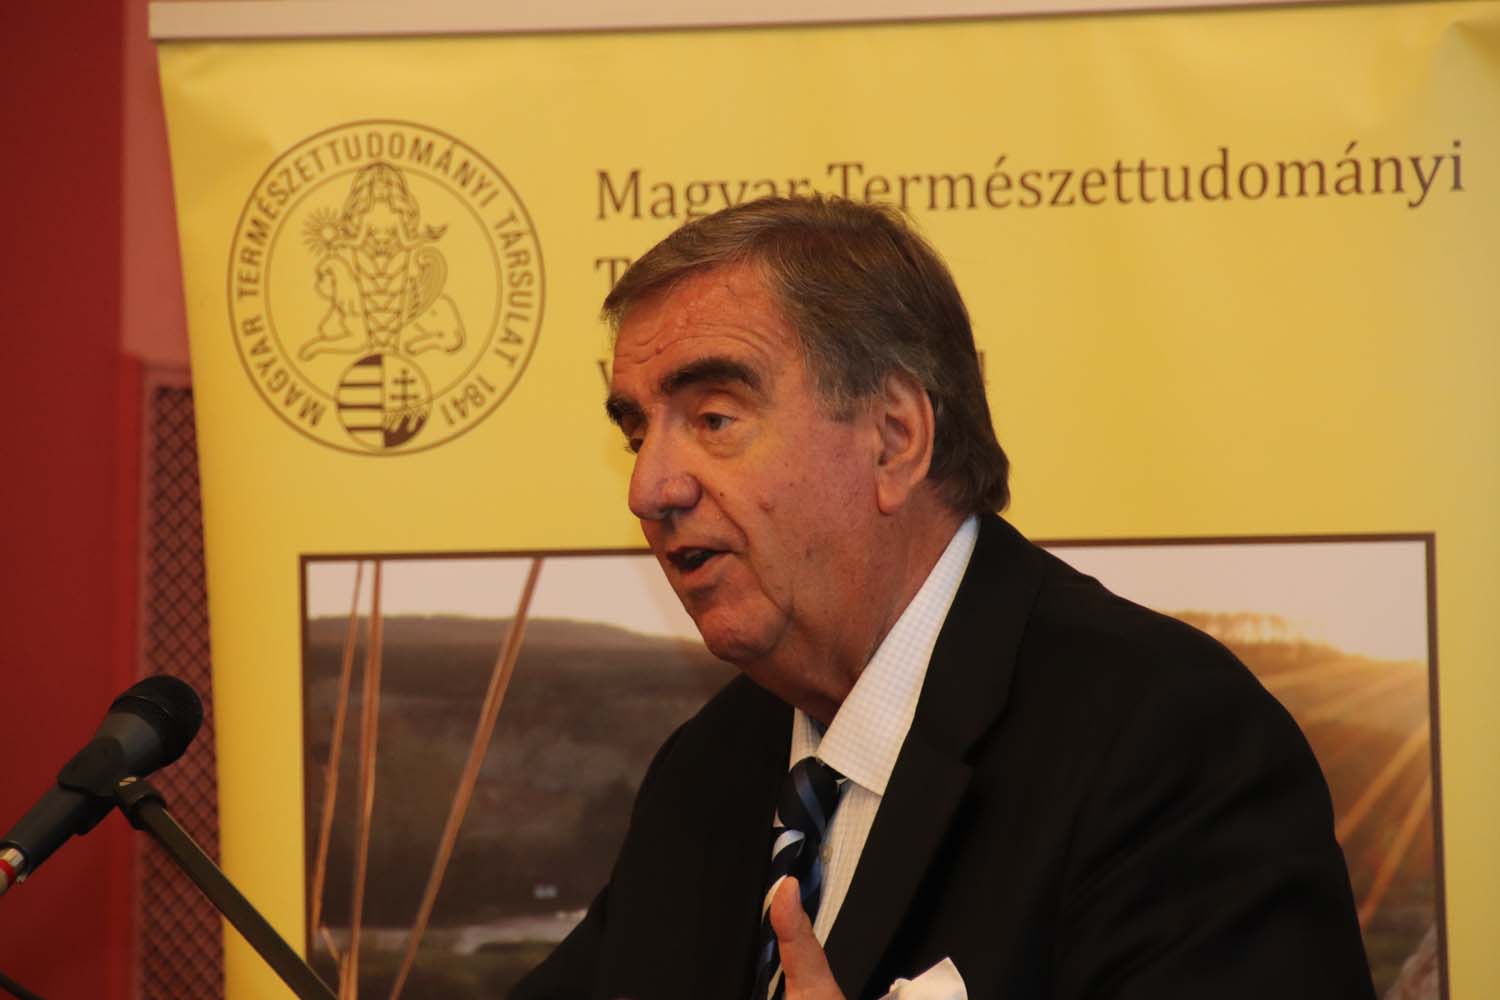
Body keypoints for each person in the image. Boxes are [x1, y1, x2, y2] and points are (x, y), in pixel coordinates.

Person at [512, 196, 1374, 1000]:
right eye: (637, 432)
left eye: (713, 419)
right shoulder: (708, 770)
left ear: (895, 439)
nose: (649, 488)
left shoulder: (1169, 743)